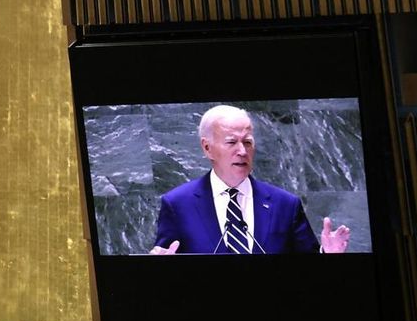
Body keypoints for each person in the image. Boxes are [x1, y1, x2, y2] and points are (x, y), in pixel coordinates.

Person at [149, 105, 349, 256]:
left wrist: (327, 255)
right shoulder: (178, 204)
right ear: (207, 148)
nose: (242, 151)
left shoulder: (285, 205)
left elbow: (309, 270)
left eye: (247, 142)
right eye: (231, 142)